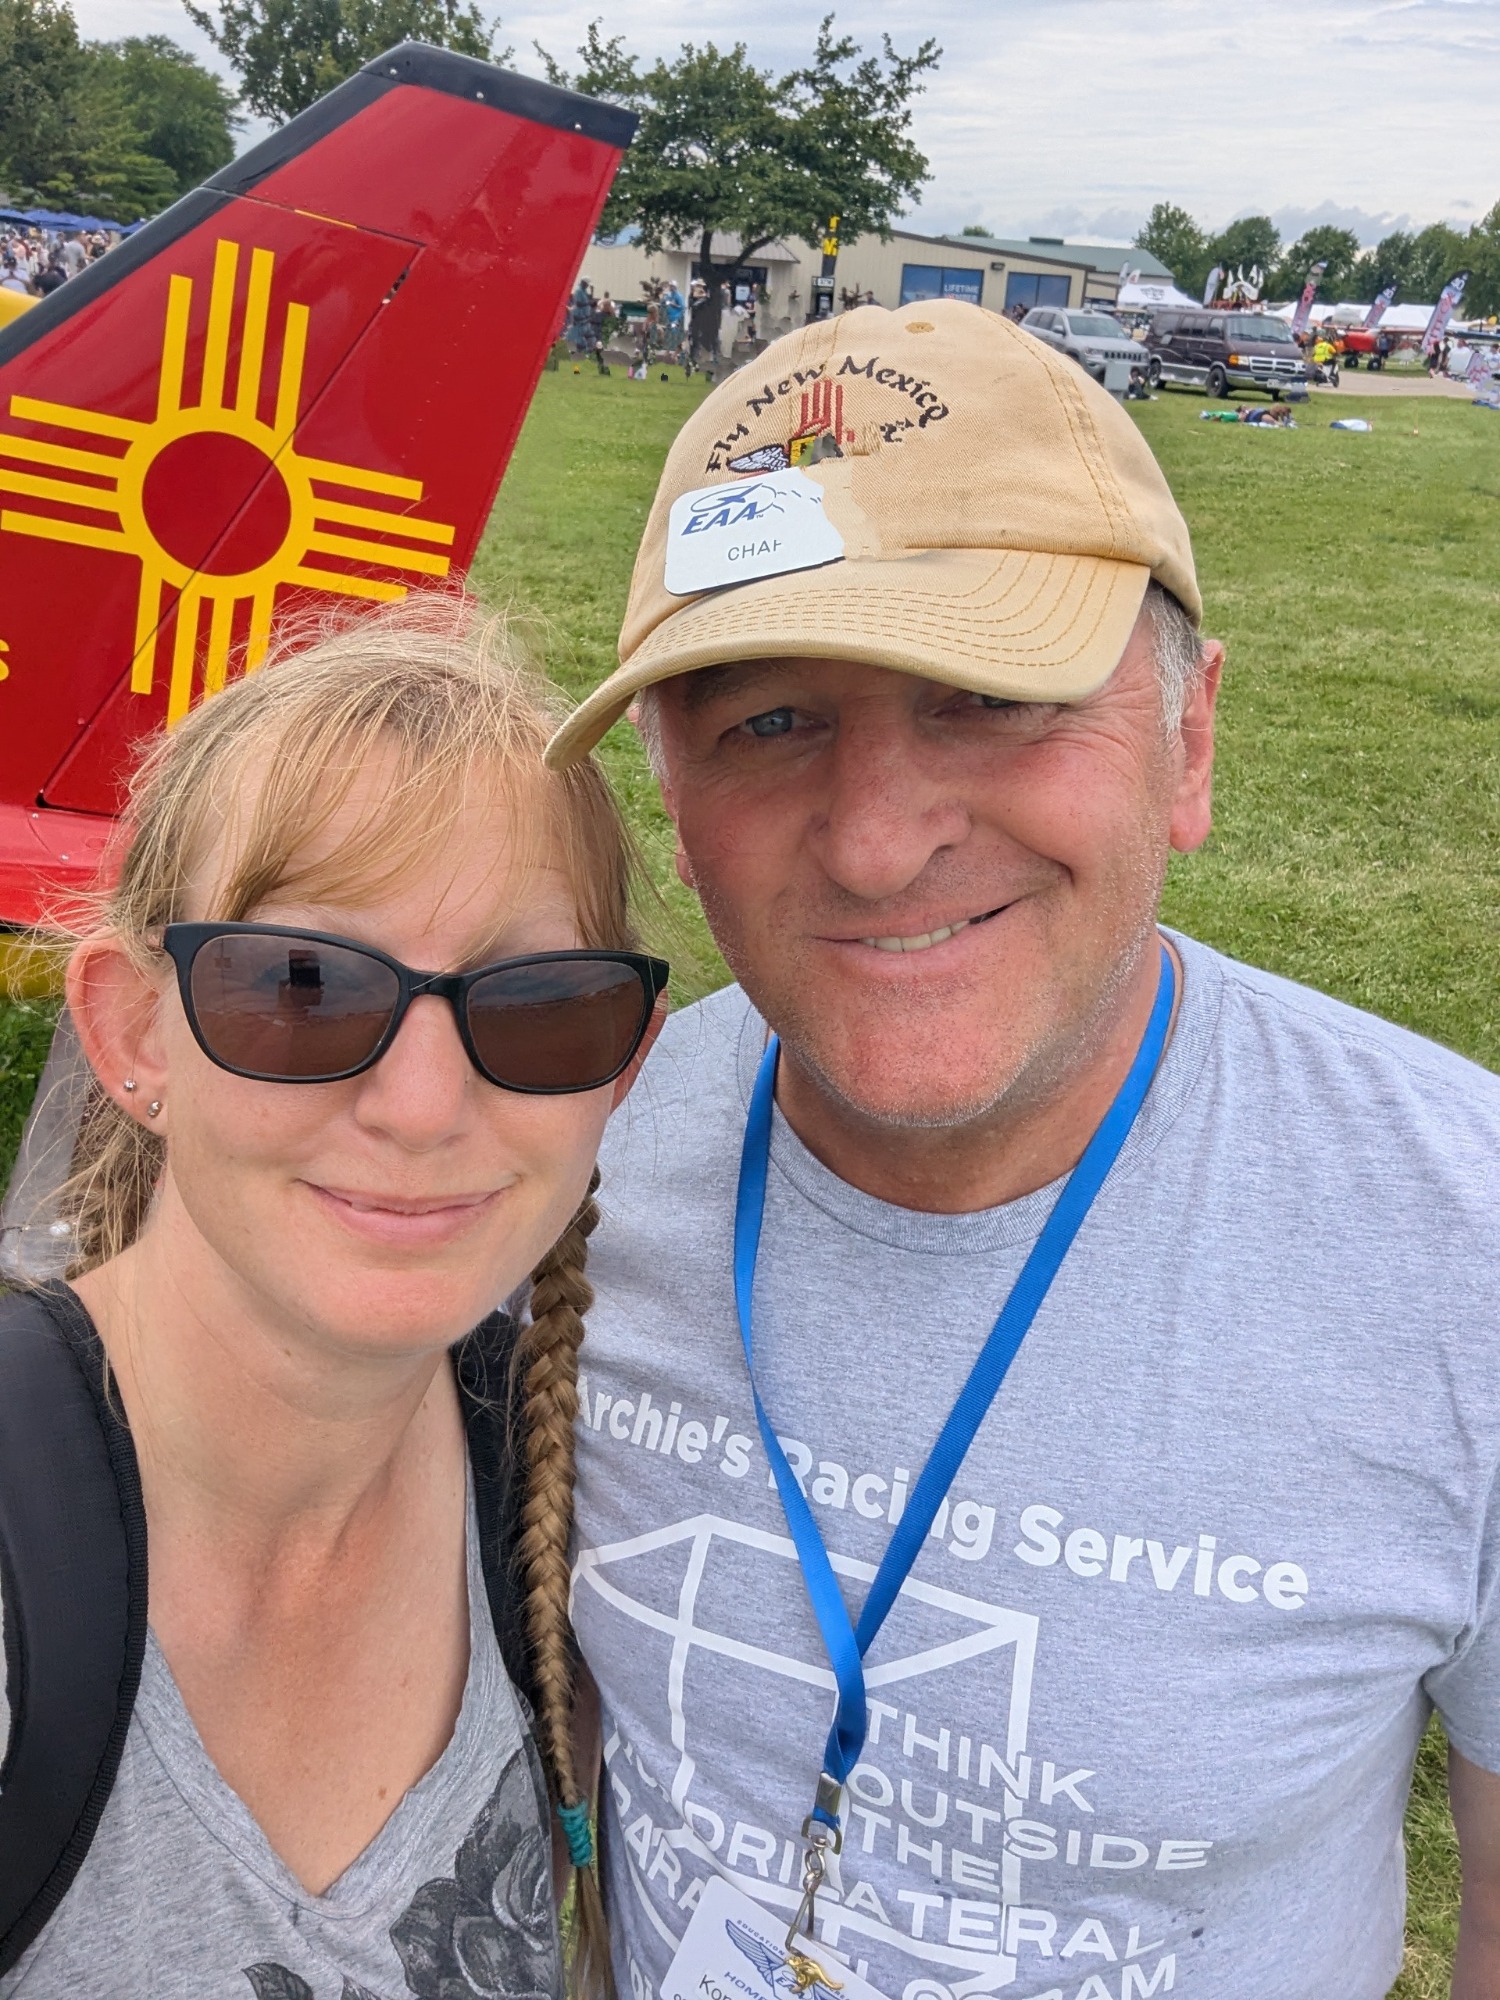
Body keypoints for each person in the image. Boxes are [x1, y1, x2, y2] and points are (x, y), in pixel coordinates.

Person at [544, 300, 1500, 2000]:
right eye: (769, 722)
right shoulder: (550, 1169)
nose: (873, 841)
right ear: (670, 795)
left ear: (1190, 740)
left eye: (990, 696)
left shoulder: (1461, 1248)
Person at [0, 600, 665, 1996]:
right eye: (301, 987)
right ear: (132, 1032)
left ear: (622, 1067)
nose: (423, 1107)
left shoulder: (580, 1525)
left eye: (537, 1004)